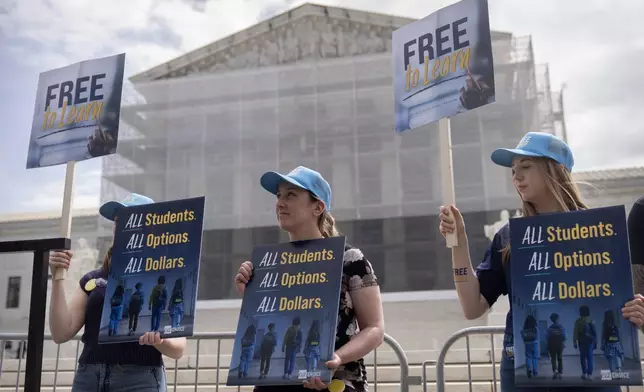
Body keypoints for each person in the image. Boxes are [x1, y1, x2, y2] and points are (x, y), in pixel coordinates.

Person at [438, 131, 644, 392]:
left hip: (593, 376)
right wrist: (459, 242)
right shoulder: (510, 237)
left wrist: (638, 312)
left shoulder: (601, 232)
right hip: (524, 375)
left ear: (555, 171)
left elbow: (624, 302)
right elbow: (472, 307)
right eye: (513, 170)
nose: (516, 177)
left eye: (526, 167)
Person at [234, 166, 385, 392]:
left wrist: (336, 358)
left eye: (291, 195)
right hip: (275, 385)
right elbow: (268, 326)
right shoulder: (269, 264)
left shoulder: (350, 259)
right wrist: (250, 293)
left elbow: (374, 328)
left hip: (336, 383)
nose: (280, 203)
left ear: (318, 207)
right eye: (278, 196)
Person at [48, 193, 186, 391]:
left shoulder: (167, 279)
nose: (120, 227)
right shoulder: (93, 280)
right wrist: (57, 277)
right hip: (89, 378)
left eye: (129, 221)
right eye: (117, 221)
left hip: (139, 381)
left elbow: (178, 349)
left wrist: (160, 339)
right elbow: (61, 333)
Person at [572, 305, 597, 380]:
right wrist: (595, 342)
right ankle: (590, 374)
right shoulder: (591, 320)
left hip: (581, 341)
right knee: (590, 358)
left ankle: (584, 373)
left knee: (582, 357)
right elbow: (594, 333)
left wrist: (574, 342)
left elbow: (575, 332)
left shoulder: (578, 321)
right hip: (590, 342)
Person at [545, 313, 565, 380]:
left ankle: (555, 371)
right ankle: (560, 373)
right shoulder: (561, 327)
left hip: (552, 344)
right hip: (559, 344)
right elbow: (564, 337)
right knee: (560, 358)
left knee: (553, 359)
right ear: (557, 319)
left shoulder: (549, 328)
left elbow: (547, 338)